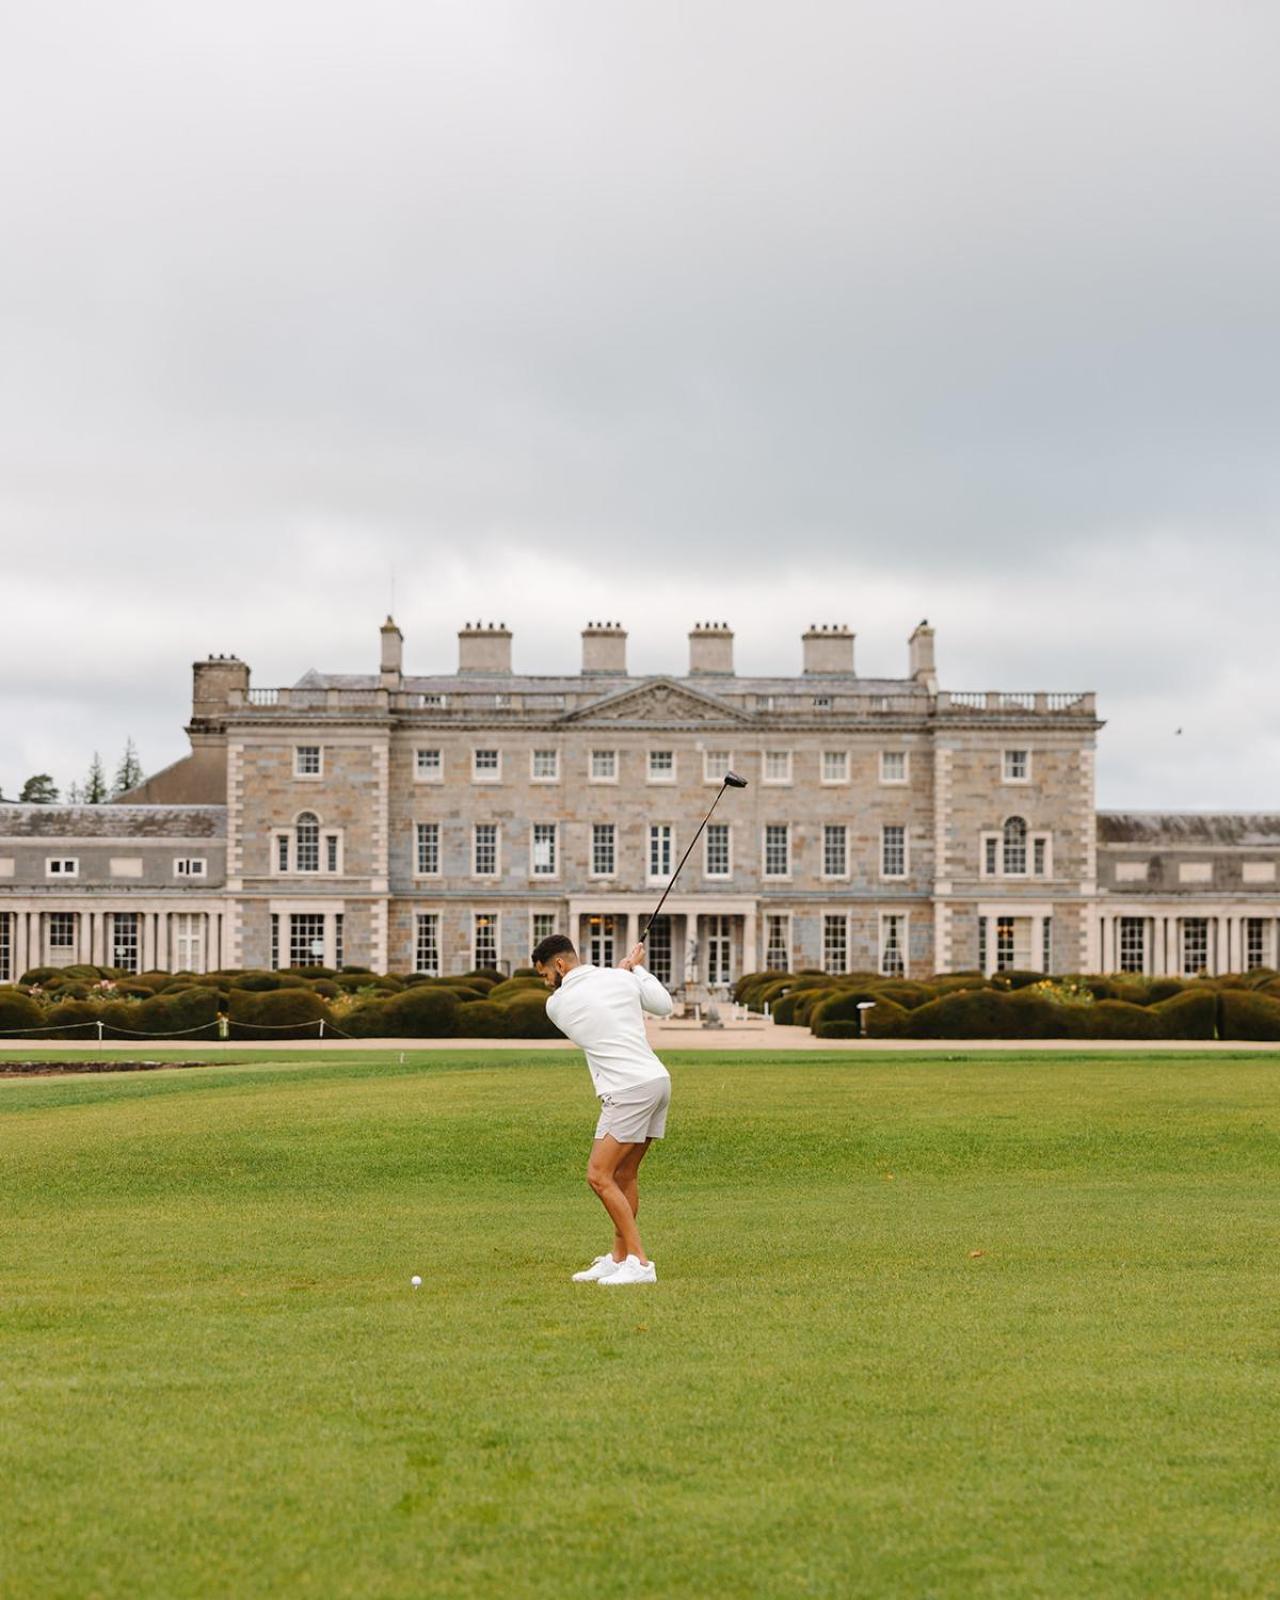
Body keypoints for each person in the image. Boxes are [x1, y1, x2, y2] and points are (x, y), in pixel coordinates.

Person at [532, 932, 674, 1285]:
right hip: (656, 1081)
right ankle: (619, 1256)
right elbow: (664, 1005)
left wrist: (624, 973)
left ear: (560, 965)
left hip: (628, 1090)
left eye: (545, 974)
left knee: (598, 1175)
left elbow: (593, 1000)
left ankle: (639, 1263)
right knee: (623, 1175)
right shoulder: (618, 979)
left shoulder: (557, 1004)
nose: (546, 982)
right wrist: (634, 972)